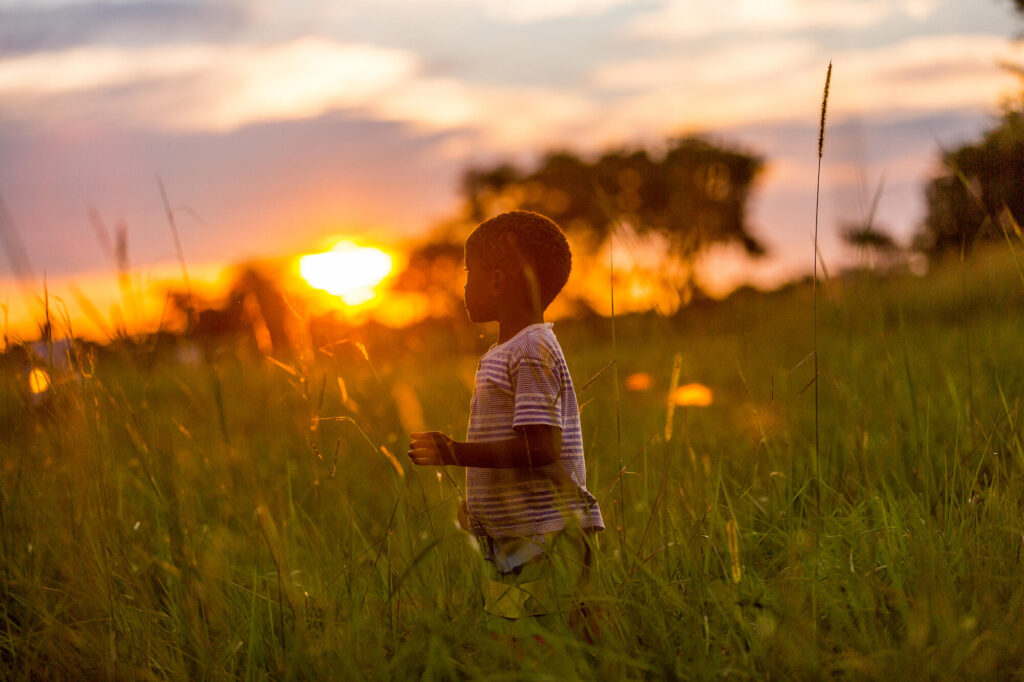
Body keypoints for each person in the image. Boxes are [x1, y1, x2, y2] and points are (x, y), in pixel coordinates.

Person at [406, 210, 604, 634]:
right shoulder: (513, 350)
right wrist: (477, 508)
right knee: (526, 641)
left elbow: (541, 447)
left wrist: (454, 452)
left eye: (469, 274)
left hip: (549, 537)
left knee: (544, 647)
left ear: (497, 282)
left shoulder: (530, 349)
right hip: (522, 538)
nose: (463, 287)